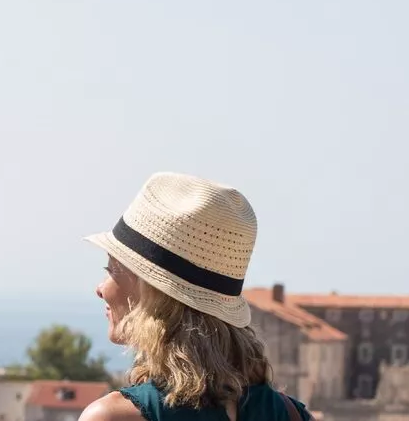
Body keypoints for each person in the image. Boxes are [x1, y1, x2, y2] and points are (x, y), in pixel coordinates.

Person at [77, 173, 313, 421]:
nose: (101, 288)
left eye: (112, 269)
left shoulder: (112, 416)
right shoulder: (291, 414)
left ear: (152, 292)